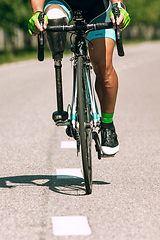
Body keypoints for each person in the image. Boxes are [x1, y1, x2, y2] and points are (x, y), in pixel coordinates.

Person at [28, 0, 130, 156]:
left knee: (104, 67)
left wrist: (118, 6)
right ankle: (57, 59)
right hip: (61, 3)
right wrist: (37, 12)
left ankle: (107, 125)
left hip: (98, 8)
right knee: (53, 19)